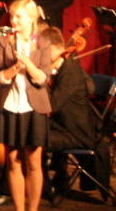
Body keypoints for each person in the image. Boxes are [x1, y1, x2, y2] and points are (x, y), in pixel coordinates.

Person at [0, 0, 55, 211]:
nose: (14, 20)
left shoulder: (42, 42)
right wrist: (13, 69)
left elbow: (43, 79)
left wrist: (28, 64)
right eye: (12, 16)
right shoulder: (5, 41)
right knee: (13, 161)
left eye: (19, 16)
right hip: (11, 105)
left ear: (31, 18)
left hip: (34, 107)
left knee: (34, 161)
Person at [44, 25, 112, 197]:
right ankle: (59, 179)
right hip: (64, 127)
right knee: (32, 133)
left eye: (41, 51)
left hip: (76, 133)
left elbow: (52, 105)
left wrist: (42, 81)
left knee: (34, 138)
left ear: (52, 48)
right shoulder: (64, 67)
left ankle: (44, 186)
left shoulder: (70, 72)